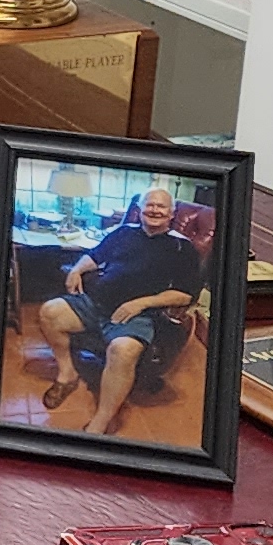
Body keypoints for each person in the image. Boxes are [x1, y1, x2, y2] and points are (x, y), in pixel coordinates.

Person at [40, 180, 208, 432]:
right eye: (149, 205)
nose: (154, 210)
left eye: (161, 206)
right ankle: (67, 374)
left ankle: (102, 418)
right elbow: (95, 255)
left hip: (139, 316)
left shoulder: (182, 248)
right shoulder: (124, 233)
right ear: (140, 209)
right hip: (96, 303)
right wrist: (76, 269)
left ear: (172, 213)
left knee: (123, 351)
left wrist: (140, 303)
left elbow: (186, 295)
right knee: (50, 312)